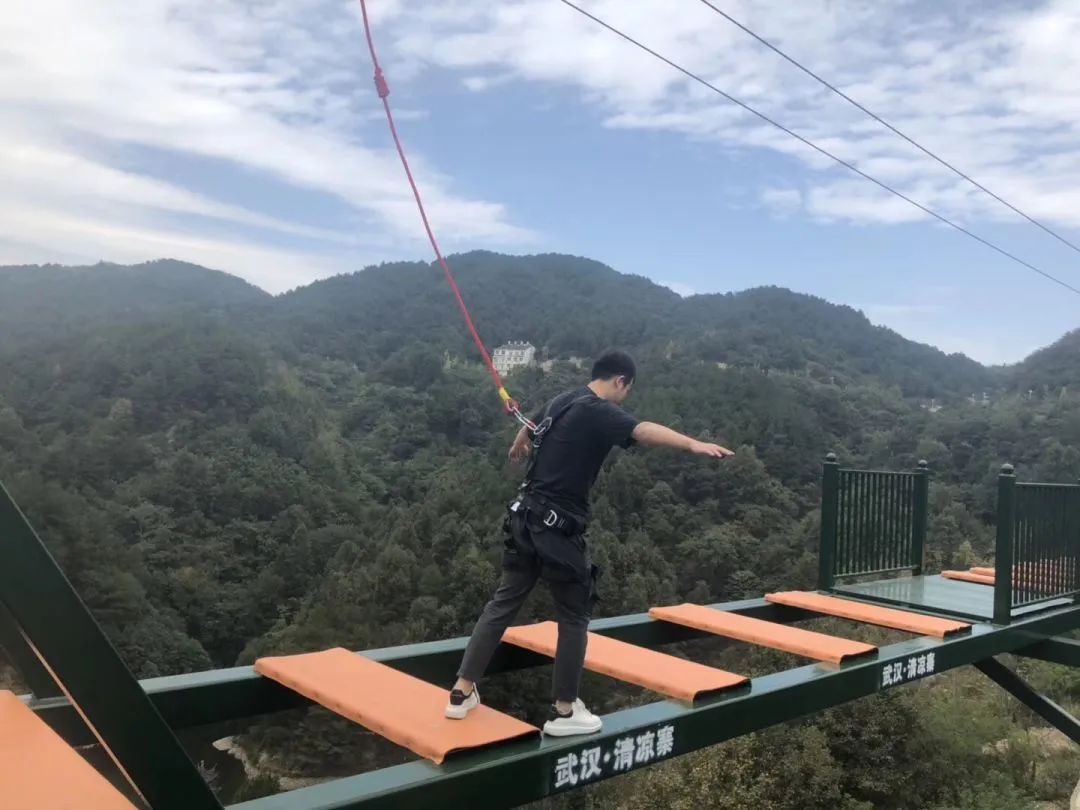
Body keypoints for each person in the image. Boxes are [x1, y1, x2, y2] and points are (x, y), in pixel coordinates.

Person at [445, 350, 733, 736]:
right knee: (574, 614)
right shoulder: (598, 410)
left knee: (502, 605)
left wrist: (518, 445)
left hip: (523, 519)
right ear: (620, 381)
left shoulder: (563, 400)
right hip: (557, 530)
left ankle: (461, 692)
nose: (624, 399)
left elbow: (529, 426)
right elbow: (642, 430)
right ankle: (564, 711)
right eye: (627, 391)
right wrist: (693, 444)